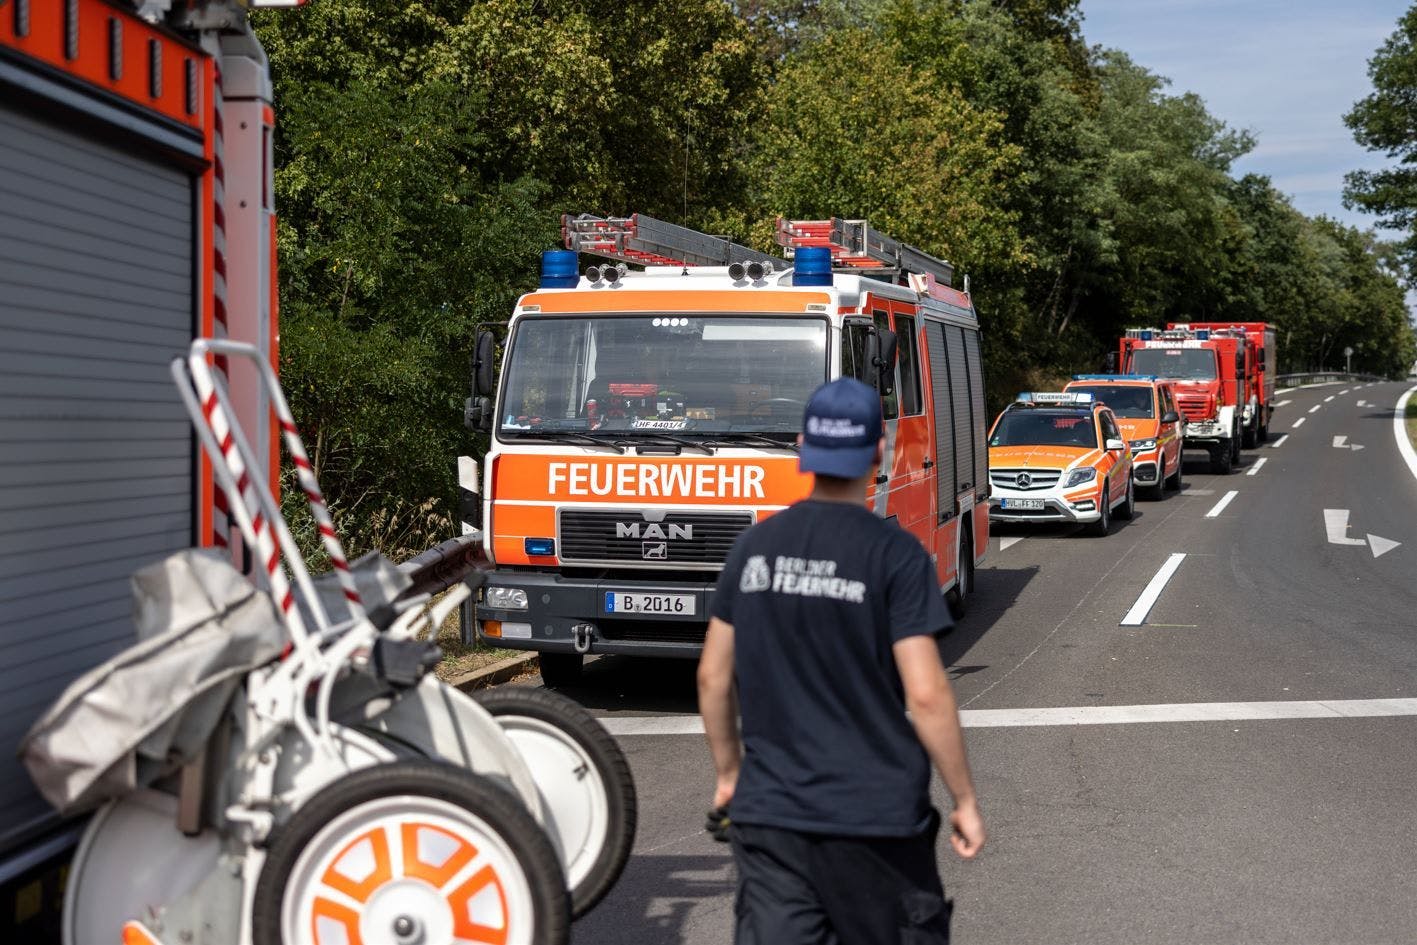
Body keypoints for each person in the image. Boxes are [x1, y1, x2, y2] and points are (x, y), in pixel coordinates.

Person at [698, 376, 985, 945]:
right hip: (874, 818)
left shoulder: (754, 547)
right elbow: (926, 695)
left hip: (771, 816)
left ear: (804, 450)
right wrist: (965, 800)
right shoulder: (895, 555)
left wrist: (731, 776)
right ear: (878, 450)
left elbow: (712, 675)